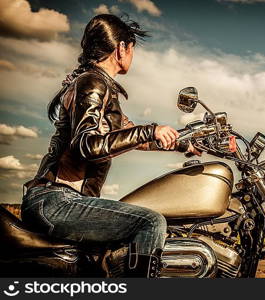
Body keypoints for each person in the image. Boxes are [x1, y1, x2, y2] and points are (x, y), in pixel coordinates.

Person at [20, 14, 201, 278]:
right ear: (121, 48)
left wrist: (183, 144)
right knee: (150, 222)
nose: (132, 57)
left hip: (64, 201)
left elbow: (132, 136)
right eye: (132, 50)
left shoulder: (98, 85)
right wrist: (150, 130)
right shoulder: (92, 83)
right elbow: (87, 144)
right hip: (55, 200)